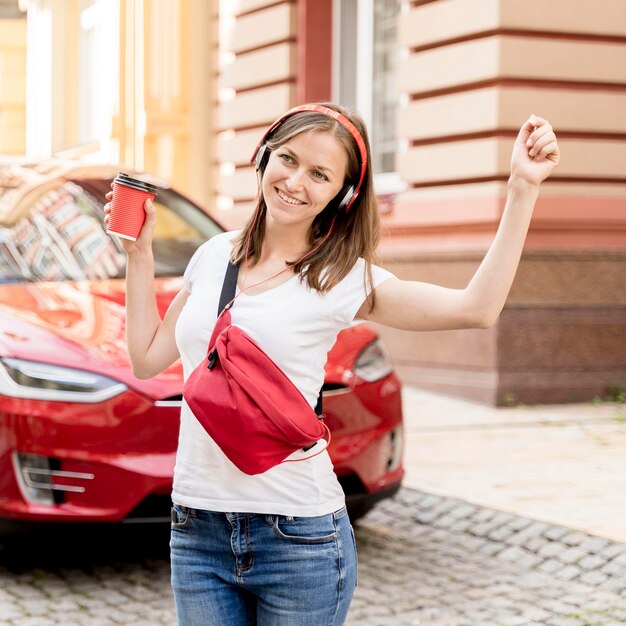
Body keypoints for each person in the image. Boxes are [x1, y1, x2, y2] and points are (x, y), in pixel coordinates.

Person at [104, 102, 559, 625]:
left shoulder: (340, 277)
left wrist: (522, 189)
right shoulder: (213, 256)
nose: (295, 181)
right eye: (289, 159)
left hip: (297, 536)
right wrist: (138, 256)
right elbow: (145, 358)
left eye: (320, 174)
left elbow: (474, 309)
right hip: (197, 528)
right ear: (265, 156)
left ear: (342, 193)